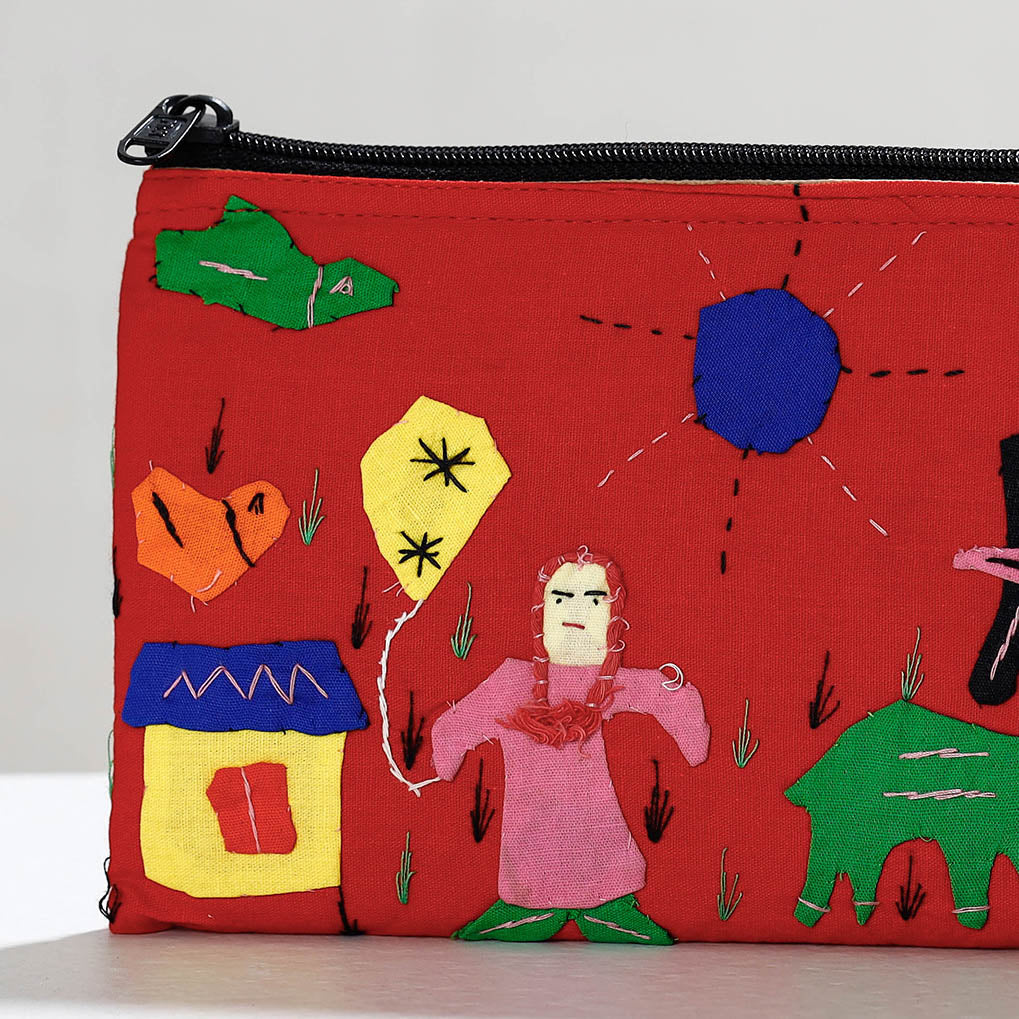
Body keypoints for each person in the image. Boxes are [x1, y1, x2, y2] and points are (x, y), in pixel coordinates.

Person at [430, 546, 710, 944]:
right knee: (533, 867)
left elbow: (665, 693)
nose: (576, 610)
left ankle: (601, 908)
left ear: (612, 616)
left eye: (594, 601)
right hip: (531, 825)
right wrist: (447, 755)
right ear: (542, 610)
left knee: (601, 859)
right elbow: (458, 723)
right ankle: (536, 907)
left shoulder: (604, 683)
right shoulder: (513, 681)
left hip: (594, 817)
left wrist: (692, 737)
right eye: (561, 599)